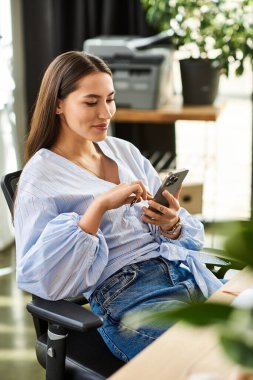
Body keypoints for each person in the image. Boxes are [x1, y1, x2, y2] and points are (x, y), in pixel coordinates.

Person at [14, 51, 223, 362]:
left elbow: (173, 226)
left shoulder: (123, 150)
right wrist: (99, 207)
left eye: (110, 99)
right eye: (91, 102)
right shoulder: (40, 180)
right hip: (130, 297)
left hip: (185, 273)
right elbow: (42, 278)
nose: (106, 112)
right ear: (58, 104)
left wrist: (170, 224)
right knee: (212, 357)